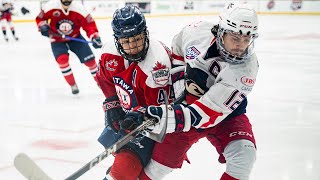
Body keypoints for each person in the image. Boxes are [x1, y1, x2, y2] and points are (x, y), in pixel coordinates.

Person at [123, 2, 259, 180]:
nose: (241, 46)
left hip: (224, 114)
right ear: (221, 30)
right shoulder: (196, 32)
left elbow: (204, 114)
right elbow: (178, 46)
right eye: (235, 37)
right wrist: (180, 83)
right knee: (157, 168)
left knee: (244, 156)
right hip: (187, 106)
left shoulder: (245, 70)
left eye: (246, 39)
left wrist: (159, 116)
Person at [96, 5, 174, 180]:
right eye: (126, 41)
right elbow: (105, 79)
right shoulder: (109, 53)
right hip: (128, 112)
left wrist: (139, 116)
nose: (132, 47)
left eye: (137, 39)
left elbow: (160, 109)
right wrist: (111, 103)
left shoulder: (157, 64)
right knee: (123, 161)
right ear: (117, 40)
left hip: (157, 121)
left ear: (145, 33)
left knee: (127, 166)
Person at [35, 0, 103, 94]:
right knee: (62, 60)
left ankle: (102, 84)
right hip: (56, 39)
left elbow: (89, 24)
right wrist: (43, 26)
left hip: (75, 37)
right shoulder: (50, 6)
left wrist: (95, 37)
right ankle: (73, 85)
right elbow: (40, 18)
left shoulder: (79, 9)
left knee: (90, 61)